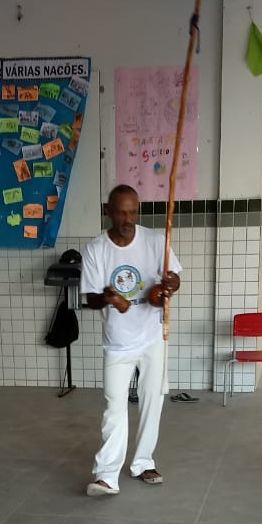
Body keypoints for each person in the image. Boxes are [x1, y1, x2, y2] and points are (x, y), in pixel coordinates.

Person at [82, 185, 182, 496]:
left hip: (152, 337)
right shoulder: (96, 248)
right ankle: (106, 475)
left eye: (133, 211)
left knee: (153, 402)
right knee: (114, 407)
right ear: (108, 212)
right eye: (122, 212)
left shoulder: (154, 240)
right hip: (118, 342)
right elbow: (90, 299)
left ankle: (143, 462)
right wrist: (109, 298)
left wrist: (170, 284)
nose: (128, 219)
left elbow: (175, 278)